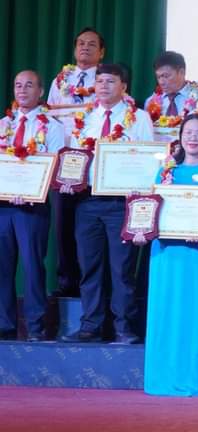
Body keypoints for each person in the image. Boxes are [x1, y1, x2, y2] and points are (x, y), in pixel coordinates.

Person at [60, 63, 154, 343]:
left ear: (124, 86)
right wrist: (68, 178)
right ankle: (91, 325)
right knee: (89, 266)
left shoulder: (139, 118)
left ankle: (124, 326)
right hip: (87, 202)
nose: (102, 86)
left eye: (110, 81)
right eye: (99, 81)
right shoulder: (85, 118)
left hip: (121, 203)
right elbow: (75, 159)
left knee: (121, 269)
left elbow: (148, 160)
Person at [142, 113, 198, 396]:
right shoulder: (166, 172)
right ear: (179, 137)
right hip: (166, 252)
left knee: (195, 314)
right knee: (166, 312)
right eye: (187, 132)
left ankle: (194, 376)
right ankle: (162, 376)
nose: (192, 138)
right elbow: (152, 209)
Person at [0, 70, 66, 341]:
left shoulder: (52, 126)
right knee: (2, 267)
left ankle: (36, 326)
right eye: (17, 85)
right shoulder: (3, 124)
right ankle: (5, 324)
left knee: (32, 265)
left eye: (29, 85)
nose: (22, 90)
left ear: (40, 92)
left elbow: (56, 164)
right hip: (3, 207)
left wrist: (29, 191)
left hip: (33, 207)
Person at [47, 27, 106, 297]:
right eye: (80, 43)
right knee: (62, 224)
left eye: (91, 44)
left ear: (101, 52)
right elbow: (48, 117)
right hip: (63, 162)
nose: (85, 48)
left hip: (94, 164)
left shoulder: (105, 80)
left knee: (90, 228)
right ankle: (67, 281)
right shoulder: (61, 80)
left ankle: (93, 284)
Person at [144, 51, 198, 130]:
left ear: (181, 72)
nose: (161, 82)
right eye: (158, 77)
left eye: (166, 76)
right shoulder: (150, 102)